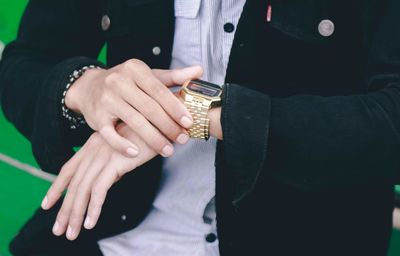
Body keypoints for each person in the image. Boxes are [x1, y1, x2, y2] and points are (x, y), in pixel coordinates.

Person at [1, 0, 400, 255]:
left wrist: (192, 110)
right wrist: (85, 87)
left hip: (307, 236)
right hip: (110, 236)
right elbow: (25, 63)